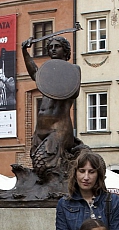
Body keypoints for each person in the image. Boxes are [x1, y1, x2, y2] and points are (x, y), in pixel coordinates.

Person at [22, 35, 81, 180]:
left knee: (48, 165)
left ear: (66, 51)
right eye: (50, 47)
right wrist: (25, 52)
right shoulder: (46, 73)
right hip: (41, 127)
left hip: (58, 126)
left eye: (57, 46)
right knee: (37, 166)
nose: (53, 49)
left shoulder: (73, 70)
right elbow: (35, 74)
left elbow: (74, 91)